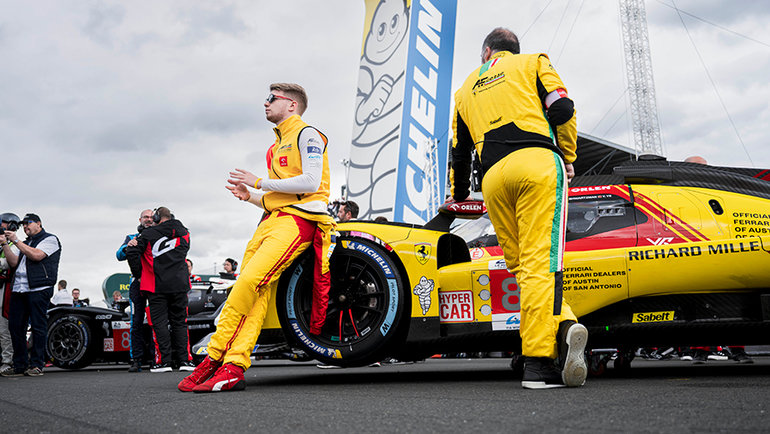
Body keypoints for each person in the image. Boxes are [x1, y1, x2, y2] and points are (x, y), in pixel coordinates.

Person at [449, 28, 587, 389]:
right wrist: (568, 156)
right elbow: (563, 109)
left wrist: (460, 193)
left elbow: (459, 151)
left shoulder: (465, 89)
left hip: (493, 178)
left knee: (523, 268)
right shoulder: (534, 62)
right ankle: (539, 363)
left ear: (487, 51)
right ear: (512, 50)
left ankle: (564, 327)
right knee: (542, 265)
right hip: (537, 164)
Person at [178, 82, 335, 393]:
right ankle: (233, 367)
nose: (265, 104)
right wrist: (250, 195)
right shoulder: (275, 146)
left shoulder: (308, 134)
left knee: (250, 284)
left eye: (271, 99)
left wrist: (259, 182)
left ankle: (213, 358)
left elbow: (311, 182)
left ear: (292, 105)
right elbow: (275, 197)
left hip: (299, 221)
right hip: (271, 220)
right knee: (254, 291)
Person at [127, 207, 193, 373]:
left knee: (159, 324)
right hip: (179, 285)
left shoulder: (148, 234)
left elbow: (131, 251)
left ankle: (164, 362)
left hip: (157, 286)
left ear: (157, 217)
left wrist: (139, 274)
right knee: (180, 323)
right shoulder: (185, 232)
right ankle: (185, 360)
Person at [0, 213, 61, 377]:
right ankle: (19, 365)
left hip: (39, 288)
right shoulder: (26, 243)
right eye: (23, 224)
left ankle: (36, 364)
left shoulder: (50, 239)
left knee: (38, 326)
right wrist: (6, 243)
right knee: (15, 327)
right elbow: (13, 262)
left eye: (29, 223)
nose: (25, 226)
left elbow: (37, 255)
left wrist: (16, 241)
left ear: (39, 224)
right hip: (19, 289)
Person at [117, 208, 153, 373]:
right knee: (136, 321)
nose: (148, 219)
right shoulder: (132, 237)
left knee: (156, 322)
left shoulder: (159, 237)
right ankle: (136, 359)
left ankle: (156, 358)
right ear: (140, 220)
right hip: (137, 283)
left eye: (151, 217)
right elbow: (118, 255)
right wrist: (127, 246)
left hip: (155, 283)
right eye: (145, 217)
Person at [0, 213, 20, 375]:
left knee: (3, 328)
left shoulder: (14, 244)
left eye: (4, 224)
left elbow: (7, 263)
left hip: (6, 289)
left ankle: (8, 361)